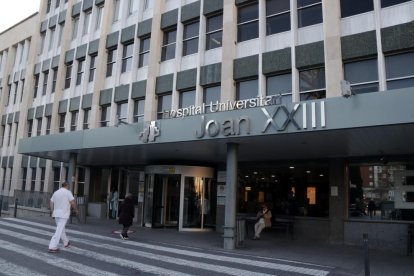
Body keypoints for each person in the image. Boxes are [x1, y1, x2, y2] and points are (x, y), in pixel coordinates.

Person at [48, 182, 78, 253]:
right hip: (63, 214)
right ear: (67, 185)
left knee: (61, 229)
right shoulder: (68, 192)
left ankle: (66, 242)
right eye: (69, 185)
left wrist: (52, 211)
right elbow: (72, 202)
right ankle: (52, 246)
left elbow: (51, 202)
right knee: (59, 230)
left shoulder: (56, 192)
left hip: (56, 214)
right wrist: (76, 209)